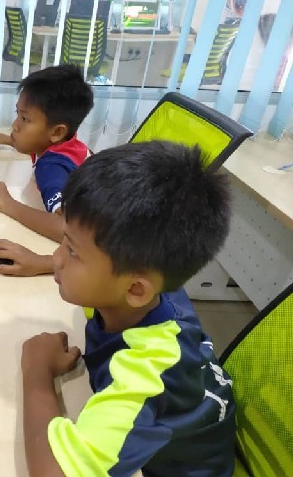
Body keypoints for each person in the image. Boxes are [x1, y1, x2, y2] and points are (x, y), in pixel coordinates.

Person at [21, 141, 236, 476]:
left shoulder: (149, 371)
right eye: (64, 241)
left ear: (135, 289)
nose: (58, 258)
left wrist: (37, 371)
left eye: (72, 251)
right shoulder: (154, 291)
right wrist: (42, 263)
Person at [0, 64, 94, 243]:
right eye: (17, 113)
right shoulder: (68, 144)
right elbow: (42, 145)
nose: (15, 125)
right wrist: (7, 139)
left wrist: (7, 204)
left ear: (57, 132)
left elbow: (67, 229)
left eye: (25, 118)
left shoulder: (52, 168)